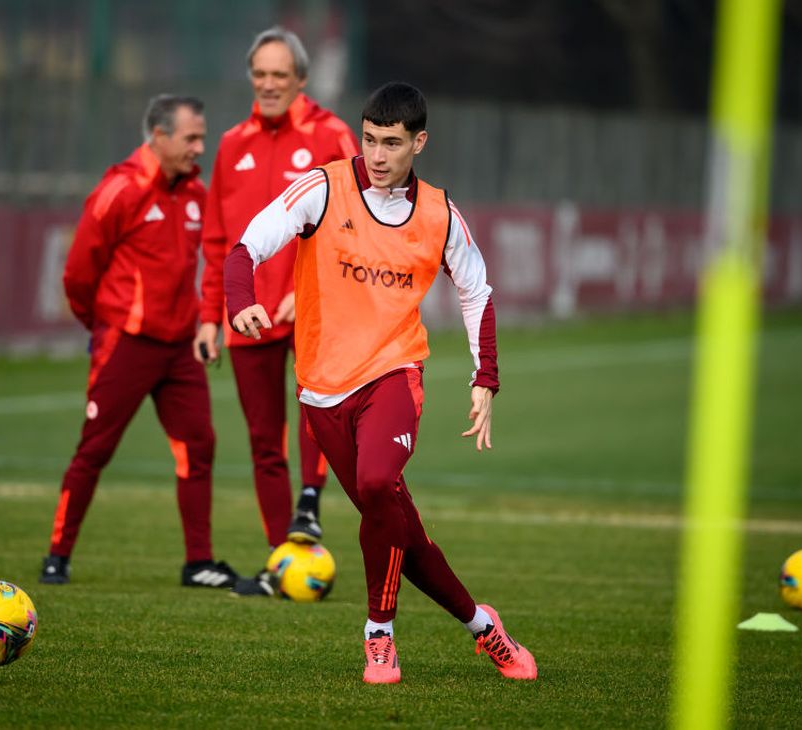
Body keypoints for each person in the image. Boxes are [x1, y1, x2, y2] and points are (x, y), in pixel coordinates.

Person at [224, 82, 537, 683]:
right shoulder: (322, 187)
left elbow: (478, 292)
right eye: (368, 139)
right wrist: (240, 301)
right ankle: (483, 627)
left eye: (392, 143)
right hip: (322, 388)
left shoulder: (441, 213)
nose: (377, 154)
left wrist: (485, 376)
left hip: (395, 373)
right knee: (398, 524)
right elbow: (246, 247)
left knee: (375, 483)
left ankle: (379, 635)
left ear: (419, 142)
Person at [39, 94, 238, 590]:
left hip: (180, 348)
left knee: (199, 446)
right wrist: (105, 327)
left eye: (202, 136)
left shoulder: (198, 195)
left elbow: (215, 261)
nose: (200, 147)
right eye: (191, 137)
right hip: (125, 344)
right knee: (95, 450)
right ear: (159, 136)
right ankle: (57, 556)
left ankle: (199, 563)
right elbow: (78, 274)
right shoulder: (120, 190)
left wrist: (208, 320)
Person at [193, 27, 359, 596]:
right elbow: (218, 240)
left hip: (312, 305)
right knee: (264, 441)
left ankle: (309, 505)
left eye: (279, 76)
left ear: (302, 80)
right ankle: (280, 560)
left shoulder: (333, 135)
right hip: (247, 313)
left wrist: (317, 287)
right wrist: (212, 315)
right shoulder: (232, 143)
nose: (267, 85)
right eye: (259, 75)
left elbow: (359, 220)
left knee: (319, 415)